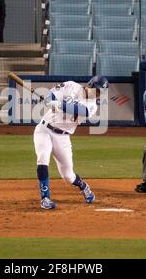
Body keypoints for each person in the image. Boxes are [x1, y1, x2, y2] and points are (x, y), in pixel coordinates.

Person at [34, 76, 109, 210]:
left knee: (68, 176)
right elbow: (52, 94)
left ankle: (83, 186)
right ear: (90, 85)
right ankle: (45, 198)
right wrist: (50, 100)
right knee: (42, 158)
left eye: (100, 93)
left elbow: (81, 111)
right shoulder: (71, 86)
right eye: (97, 90)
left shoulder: (92, 106)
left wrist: (59, 105)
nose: (98, 94)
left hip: (63, 137)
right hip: (44, 129)